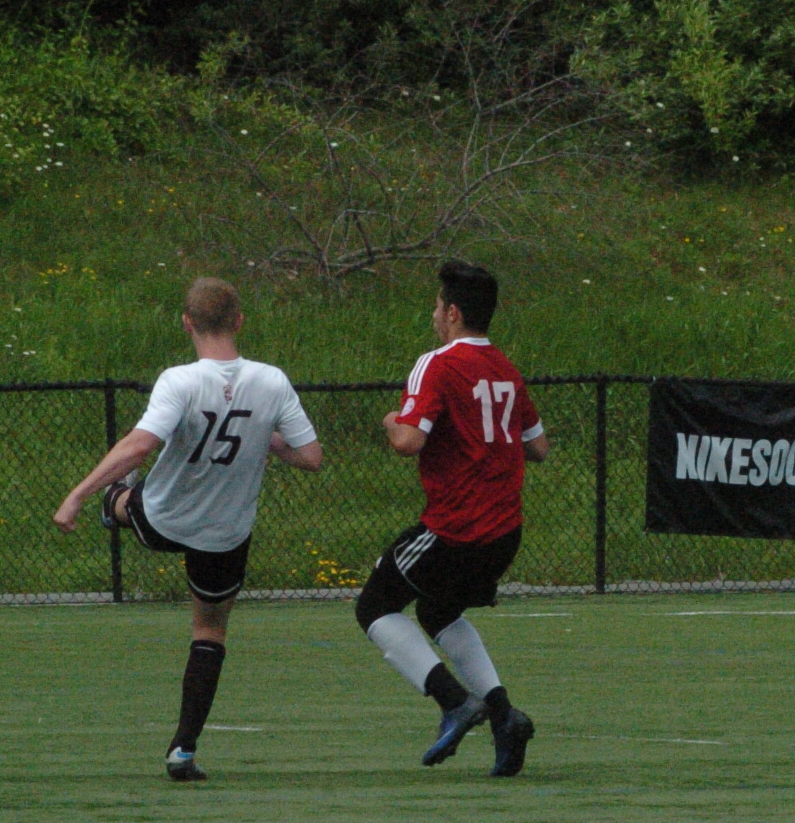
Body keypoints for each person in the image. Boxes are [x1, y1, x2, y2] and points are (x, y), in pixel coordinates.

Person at [53, 278, 323, 781]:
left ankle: (114, 502)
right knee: (209, 631)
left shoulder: (179, 380)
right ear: (239, 321)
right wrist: (268, 439)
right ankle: (183, 749)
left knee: (124, 498)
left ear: (186, 323)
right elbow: (310, 457)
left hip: (163, 520)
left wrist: (79, 494)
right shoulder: (272, 381)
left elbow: (140, 445)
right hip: (223, 534)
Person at [356, 259, 549, 776]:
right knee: (438, 612)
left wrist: (391, 420)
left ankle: (454, 701)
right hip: (504, 532)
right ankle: (505, 717)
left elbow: (407, 441)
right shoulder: (506, 368)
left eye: (438, 305)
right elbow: (539, 448)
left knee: (374, 605)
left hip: (456, 527)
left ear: (454, 312)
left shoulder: (437, 363)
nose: (434, 314)